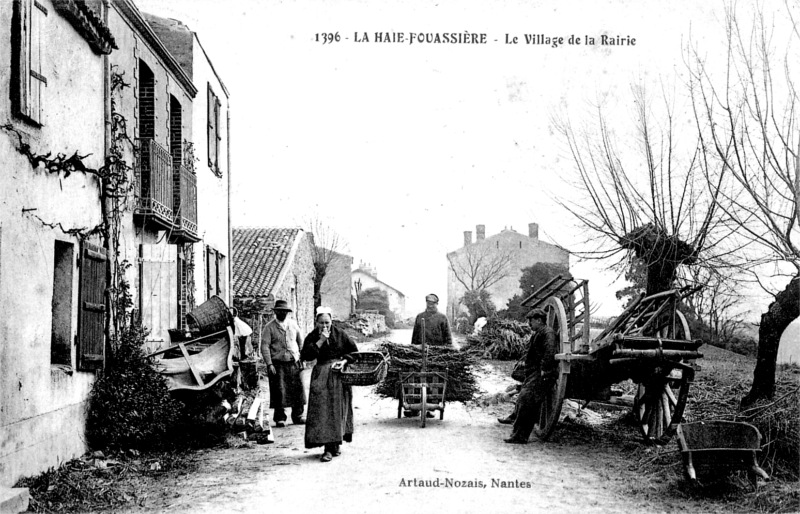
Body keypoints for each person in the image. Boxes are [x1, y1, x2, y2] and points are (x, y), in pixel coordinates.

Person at [301, 306, 359, 462]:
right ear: (316, 322)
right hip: (320, 375)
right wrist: (320, 341)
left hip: (338, 375)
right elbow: (306, 356)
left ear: (332, 321)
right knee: (323, 411)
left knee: (338, 409)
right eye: (321, 323)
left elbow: (354, 352)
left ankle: (335, 444)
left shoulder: (340, 334)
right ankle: (327, 447)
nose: (324, 326)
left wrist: (344, 361)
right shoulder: (313, 336)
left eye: (327, 322)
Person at [504, 308, 559, 444]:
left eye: (531, 321)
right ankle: (517, 433)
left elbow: (550, 352)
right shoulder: (540, 333)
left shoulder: (548, 333)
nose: (529, 323)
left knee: (526, 401)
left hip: (541, 374)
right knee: (524, 399)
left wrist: (544, 369)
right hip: (534, 372)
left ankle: (520, 436)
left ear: (539, 320)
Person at [260, 299, 306, 428]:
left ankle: (298, 416)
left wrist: (302, 359)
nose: (282, 313)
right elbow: (264, 346)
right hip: (278, 365)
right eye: (280, 311)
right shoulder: (269, 327)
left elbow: (301, 342)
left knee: (298, 389)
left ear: (288, 313)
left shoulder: (293, 325)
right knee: (279, 391)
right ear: (276, 312)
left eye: (285, 311)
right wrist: (269, 364)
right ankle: (280, 418)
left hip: (293, 363)